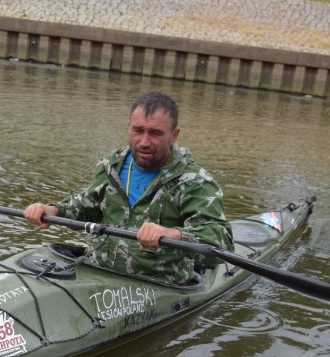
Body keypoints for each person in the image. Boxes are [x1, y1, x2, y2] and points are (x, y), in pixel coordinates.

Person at [23, 91, 233, 286]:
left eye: (155, 133)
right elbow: (89, 205)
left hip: (157, 284)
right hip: (98, 273)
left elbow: (221, 243)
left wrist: (172, 234)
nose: (144, 141)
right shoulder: (111, 165)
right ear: (128, 127)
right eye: (138, 130)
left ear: (174, 135)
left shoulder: (195, 181)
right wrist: (53, 210)